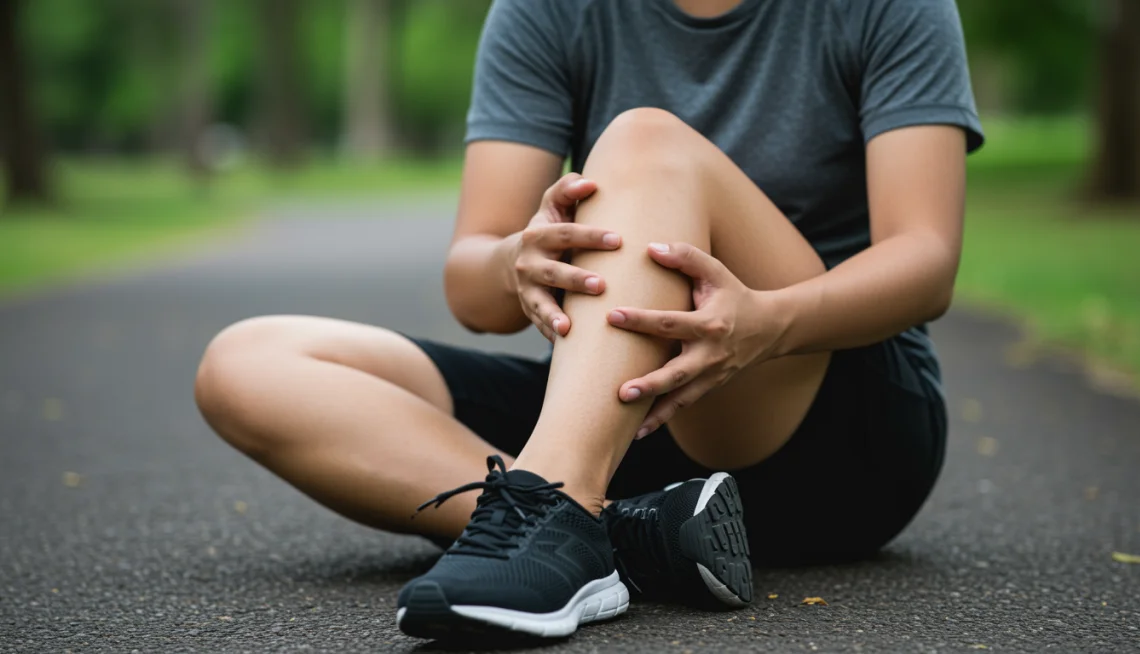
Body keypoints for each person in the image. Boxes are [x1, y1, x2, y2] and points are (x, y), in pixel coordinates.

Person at [194, 0, 983, 641]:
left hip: (829, 411)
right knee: (247, 362)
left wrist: (763, 323)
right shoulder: (547, 11)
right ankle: (611, 531)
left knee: (644, 139)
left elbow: (924, 260)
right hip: (622, 420)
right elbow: (474, 291)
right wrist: (516, 259)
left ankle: (558, 510)